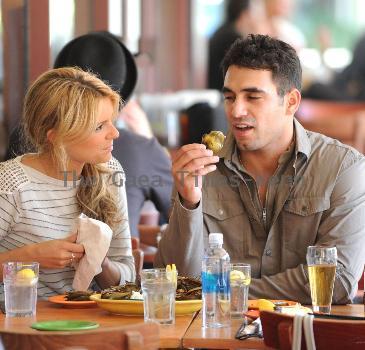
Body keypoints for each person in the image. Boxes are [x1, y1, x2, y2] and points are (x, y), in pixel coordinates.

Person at [155, 34, 365, 304]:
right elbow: (178, 281)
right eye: (230, 97)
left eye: (253, 97)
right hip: (216, 335)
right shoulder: (202, 168)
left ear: (291, 102)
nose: (236, 110)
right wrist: (188, 204)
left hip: (306, 337)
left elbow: (337, 281)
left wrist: (227, 291)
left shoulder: (343, 168)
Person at [5, 32, 173, 238]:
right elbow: (180, 222)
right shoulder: (140, 148)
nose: (114, 134)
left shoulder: (24, 136)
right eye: (98, 126)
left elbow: (123, 259)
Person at [0, 67, 135, 298]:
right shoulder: (11, 184)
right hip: (21, 328)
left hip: (93, 324)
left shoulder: (110, 172)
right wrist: (30, 257)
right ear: (55, 135)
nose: (115, 133)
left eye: (112, 121)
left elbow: (128, 275)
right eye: (99, 126)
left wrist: (100, 261)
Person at [207, 0, 252, 90]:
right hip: (223, 91)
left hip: (216, 88)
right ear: (244, 14)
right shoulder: (233, 37)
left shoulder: (221, 30)